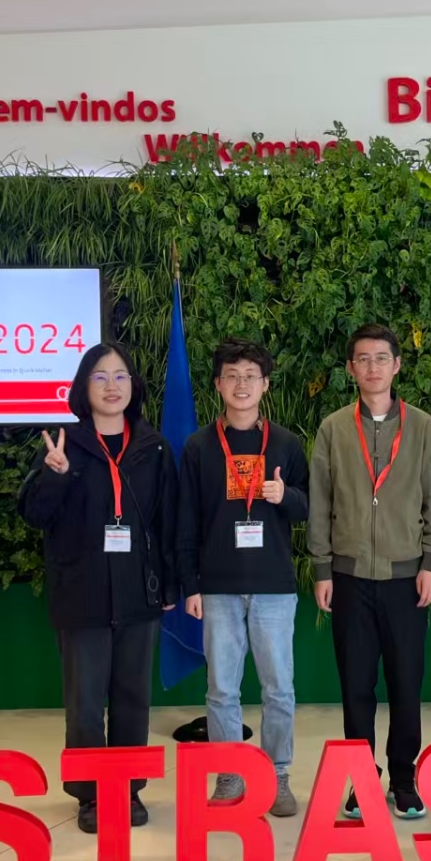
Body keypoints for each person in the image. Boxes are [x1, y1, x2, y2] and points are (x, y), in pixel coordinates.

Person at [18, 341, 179, 835]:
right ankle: (90, 795)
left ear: (134, 386)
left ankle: (127, 789)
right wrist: (55, 476)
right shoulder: (64, 445)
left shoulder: (153, 448)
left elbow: (168, 522)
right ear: (83, 388)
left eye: (121, 376)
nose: (112, 386)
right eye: (101, 377)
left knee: (132, 699)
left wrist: (170, 584)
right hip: (81, 594)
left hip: (138, 594)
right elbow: (35, 515)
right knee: (85, 703)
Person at [308, 323, 431, 820]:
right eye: (363, 359)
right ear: (351, 368)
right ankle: (362, 778)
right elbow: (320, 502)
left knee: (406, 683)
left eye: (381, 358)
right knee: (356, 686)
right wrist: (322, 568)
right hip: (349, 578)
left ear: (397, 365)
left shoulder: (423, 427)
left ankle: (404, 778)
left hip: (406, 579)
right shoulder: (332, 428)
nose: (373, 367)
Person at [176, 338, 310, 816]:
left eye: (251, 376)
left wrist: (283, 496)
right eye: (231, 376)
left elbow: (308, 507)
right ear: (218, 384)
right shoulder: (199, 446)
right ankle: (229, 775)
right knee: (221, 690)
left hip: (273, 586)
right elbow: (186, 520)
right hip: (218, 587)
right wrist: (190, 584)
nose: (241, 384)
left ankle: (278, 775)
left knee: (279, 689)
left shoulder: (287, 444)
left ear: (265, 385)